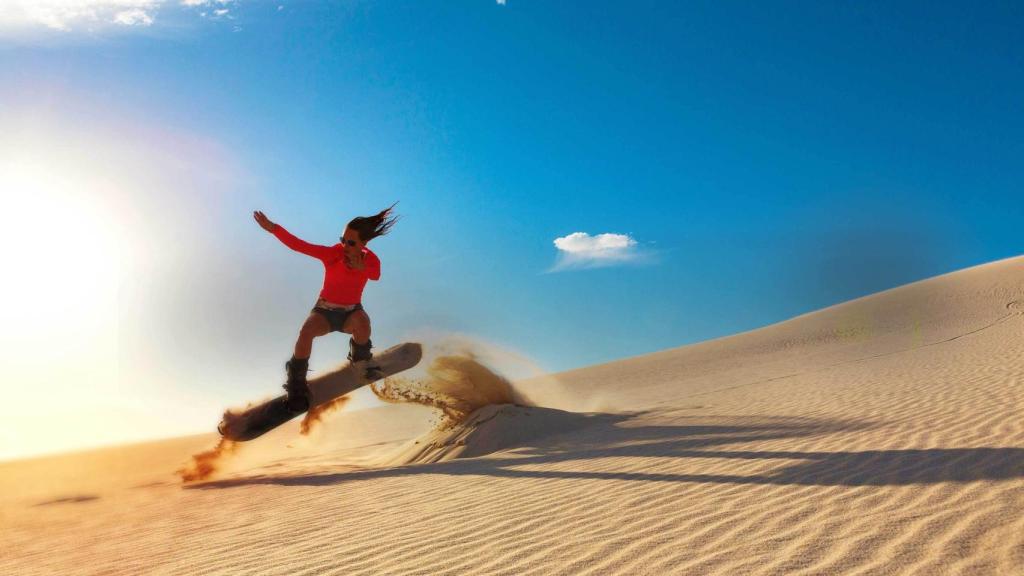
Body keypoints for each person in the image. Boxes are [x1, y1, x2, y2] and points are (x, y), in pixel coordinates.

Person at [252, 203, 399, 411]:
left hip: (351, 313)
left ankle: (361, 361)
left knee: (363, 323)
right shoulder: (333, 254)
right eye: (342, 240)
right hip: (324, 311)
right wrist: (274, 228)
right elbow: (300, 245)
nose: (344, 246)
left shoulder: (371, 259)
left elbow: (376, 275)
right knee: (306, 333)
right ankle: (296, 385)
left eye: (350, 242)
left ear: (363, 243)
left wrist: (362, 267)